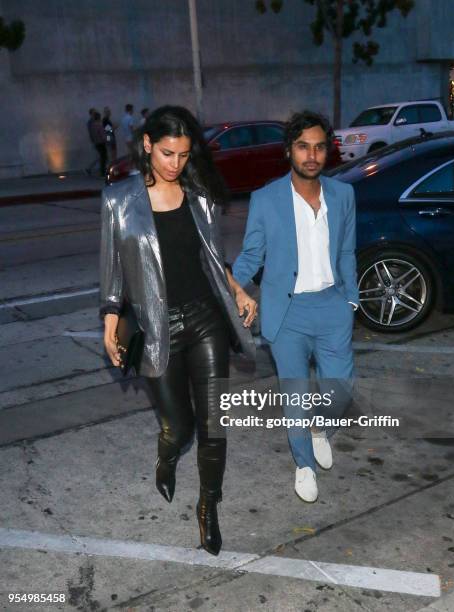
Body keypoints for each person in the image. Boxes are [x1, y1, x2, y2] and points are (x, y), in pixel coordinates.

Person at [100, 105, 257, 555]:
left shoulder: (199, 196)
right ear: (147, 144)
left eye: (185, 155)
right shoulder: (118, 200)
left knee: (213, 425)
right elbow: (111, 274)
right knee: (181, 427)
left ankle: (208, 506)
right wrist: (110, 325)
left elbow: (212, 257)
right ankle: (167, 454)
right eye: (168, 153)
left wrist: (239, 292)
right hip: (156, 327)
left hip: (205, 318)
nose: (176, 164)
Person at [232, 110, 358, 503]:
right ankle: (303, 464)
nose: (311, 155)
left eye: (319, 147)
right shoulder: (266, 199)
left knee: (339, 393)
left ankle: (322, 429)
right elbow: (251, 256)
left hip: (333, 307)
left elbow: (348, 251)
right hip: (287, 314)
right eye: (303, 146)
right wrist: (235, 286)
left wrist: (350, 299)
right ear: (289, 150)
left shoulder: (344, 195)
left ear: (327, 152)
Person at [90, 111, 108, 177]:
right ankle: (102, 172)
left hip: (96, 143)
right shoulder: (99, 125)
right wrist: (107, 139)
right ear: (99, 117)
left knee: (102, 157)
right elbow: (103, 135)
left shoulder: (92, 125)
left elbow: (92, 134)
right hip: (101, 143)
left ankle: (102, 171)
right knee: (104, 157)